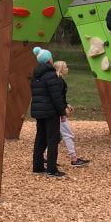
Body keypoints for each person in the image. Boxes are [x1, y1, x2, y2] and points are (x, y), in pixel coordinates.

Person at [30, 46, 66, 178]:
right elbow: (56, 97)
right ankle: (52, 169)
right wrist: (62, 111)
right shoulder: (51, 76)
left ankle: (37, 166)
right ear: (49, 60)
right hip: (50, 112)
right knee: (53, 139)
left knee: (40, 138)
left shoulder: (36, 75)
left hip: (39, 111)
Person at [53, 61, 90, 168]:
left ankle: (45, 156)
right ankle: (74, 159)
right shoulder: (59, 82)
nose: (67, 69)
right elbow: (58, 99)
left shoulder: (58, 81)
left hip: (57, 112)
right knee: (68, 134)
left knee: (57, 136)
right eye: (66, 67)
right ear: (61, 69)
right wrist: (62, 113)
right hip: (59, 113)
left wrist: (66, 104)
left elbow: (60, 98)